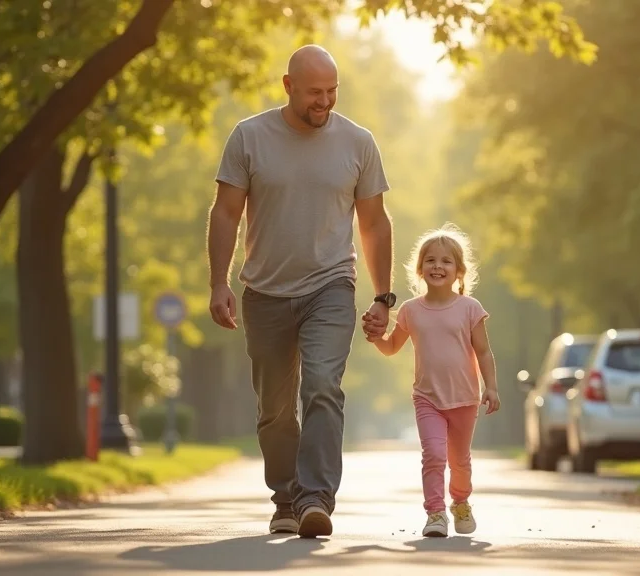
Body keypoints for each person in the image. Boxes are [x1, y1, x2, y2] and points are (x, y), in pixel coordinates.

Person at [206, 44, 395, 539]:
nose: (325, 102)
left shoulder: (358, 142)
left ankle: (316, 498)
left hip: (330, 285)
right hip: (264, 291)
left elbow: (373, 223)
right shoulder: (249, 137)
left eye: (333, 91)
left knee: (322, 387)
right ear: (288, 85)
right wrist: (217, 282)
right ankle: (285, 496)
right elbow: (225, 212)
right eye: (315, 92)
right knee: (273, 408)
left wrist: (383, 296)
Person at [369, 223, 501, 538]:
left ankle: (461, 501)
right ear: (420, 268)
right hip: (426, 397)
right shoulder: (410, 311)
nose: (437, 266)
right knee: (434, 454)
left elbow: (483, 352)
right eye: (430, 260)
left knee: (460, 462)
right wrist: (375, 336)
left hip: (465, 398)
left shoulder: (470, 309)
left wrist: (491, 387)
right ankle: (436, 513)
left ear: (459, 271)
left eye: (445, 261)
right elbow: (390, 347)